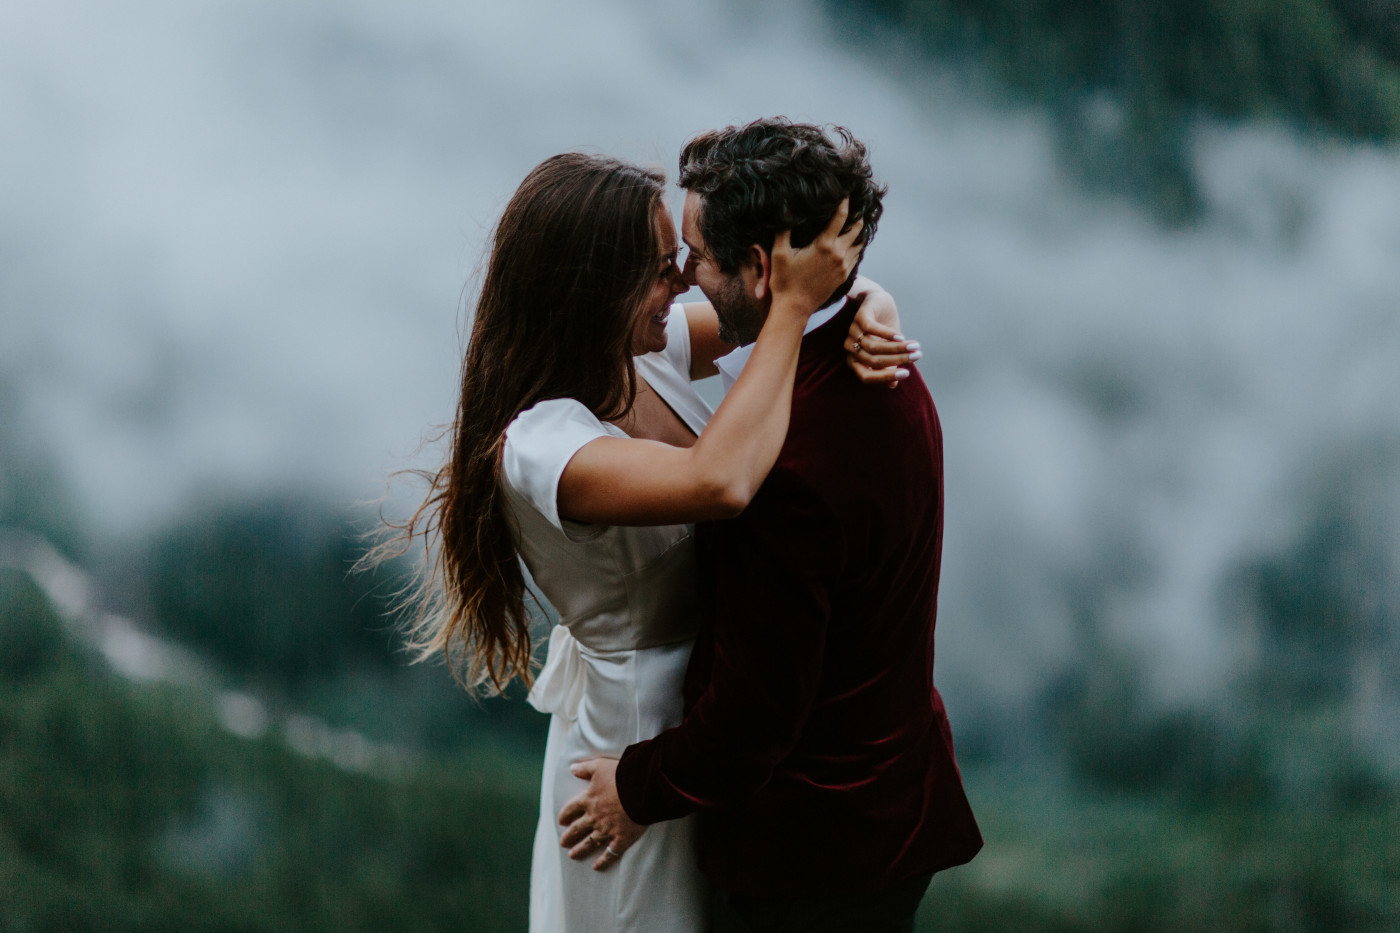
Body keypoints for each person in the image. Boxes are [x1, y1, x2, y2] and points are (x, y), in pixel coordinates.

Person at [384, 150, 917, 933]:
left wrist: (872, 305)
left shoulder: (644, 354)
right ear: (590, 290)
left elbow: (765, 308)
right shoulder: (542, 445)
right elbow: (720, 481)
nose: (684, 279)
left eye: (679, 256)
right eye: (660, 265)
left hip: (705, 721)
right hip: (631, 738)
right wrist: (800, 310)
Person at [558, 118, 983, 933]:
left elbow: (753, 719)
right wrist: (869, 291)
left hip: (811, 861)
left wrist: (636, 788)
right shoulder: (879, 361)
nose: (684, 277)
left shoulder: (782, 473)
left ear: (761, 269)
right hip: (895, 805)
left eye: (699, 257)